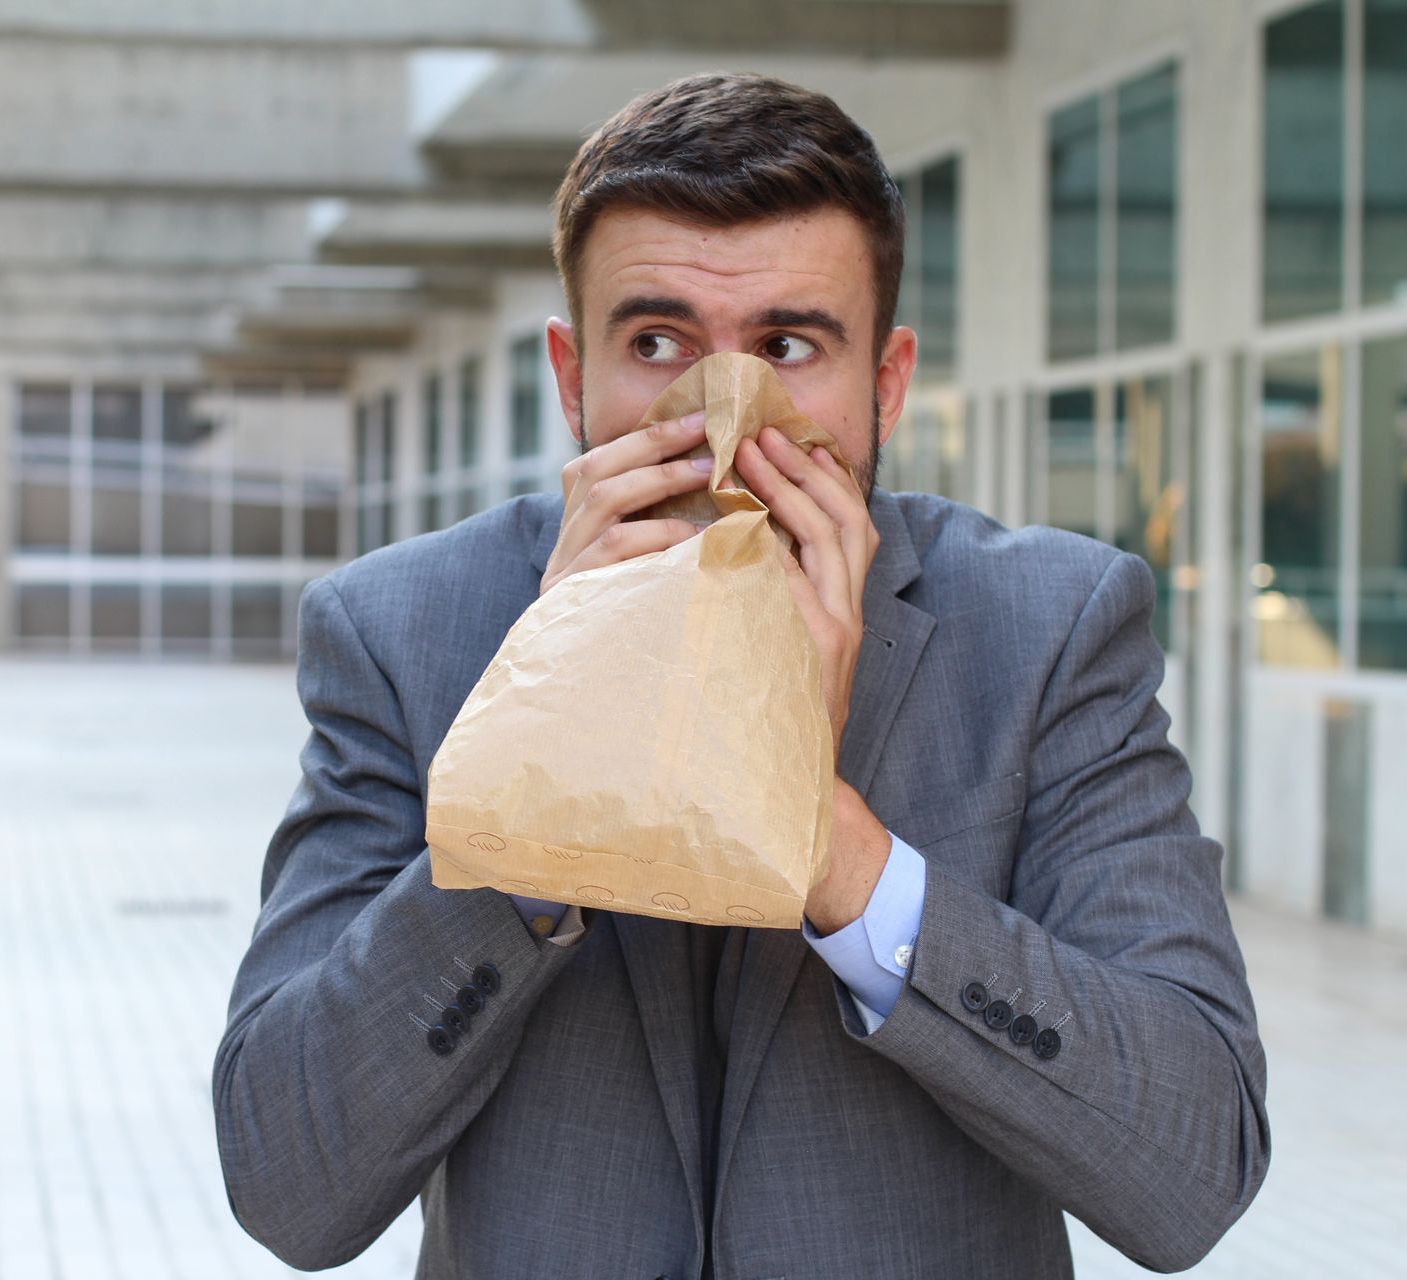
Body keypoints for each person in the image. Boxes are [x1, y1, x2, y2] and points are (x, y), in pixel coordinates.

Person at [212, 73, 1268, 1279]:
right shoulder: (402, 628)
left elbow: (1197, 1166)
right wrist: (548, 784)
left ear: (886, 383)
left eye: (788, 345)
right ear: (570, 375)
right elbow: (286, 1183)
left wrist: (826, 840)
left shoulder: (1048, 629)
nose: (723, 418)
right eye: (657, 342)